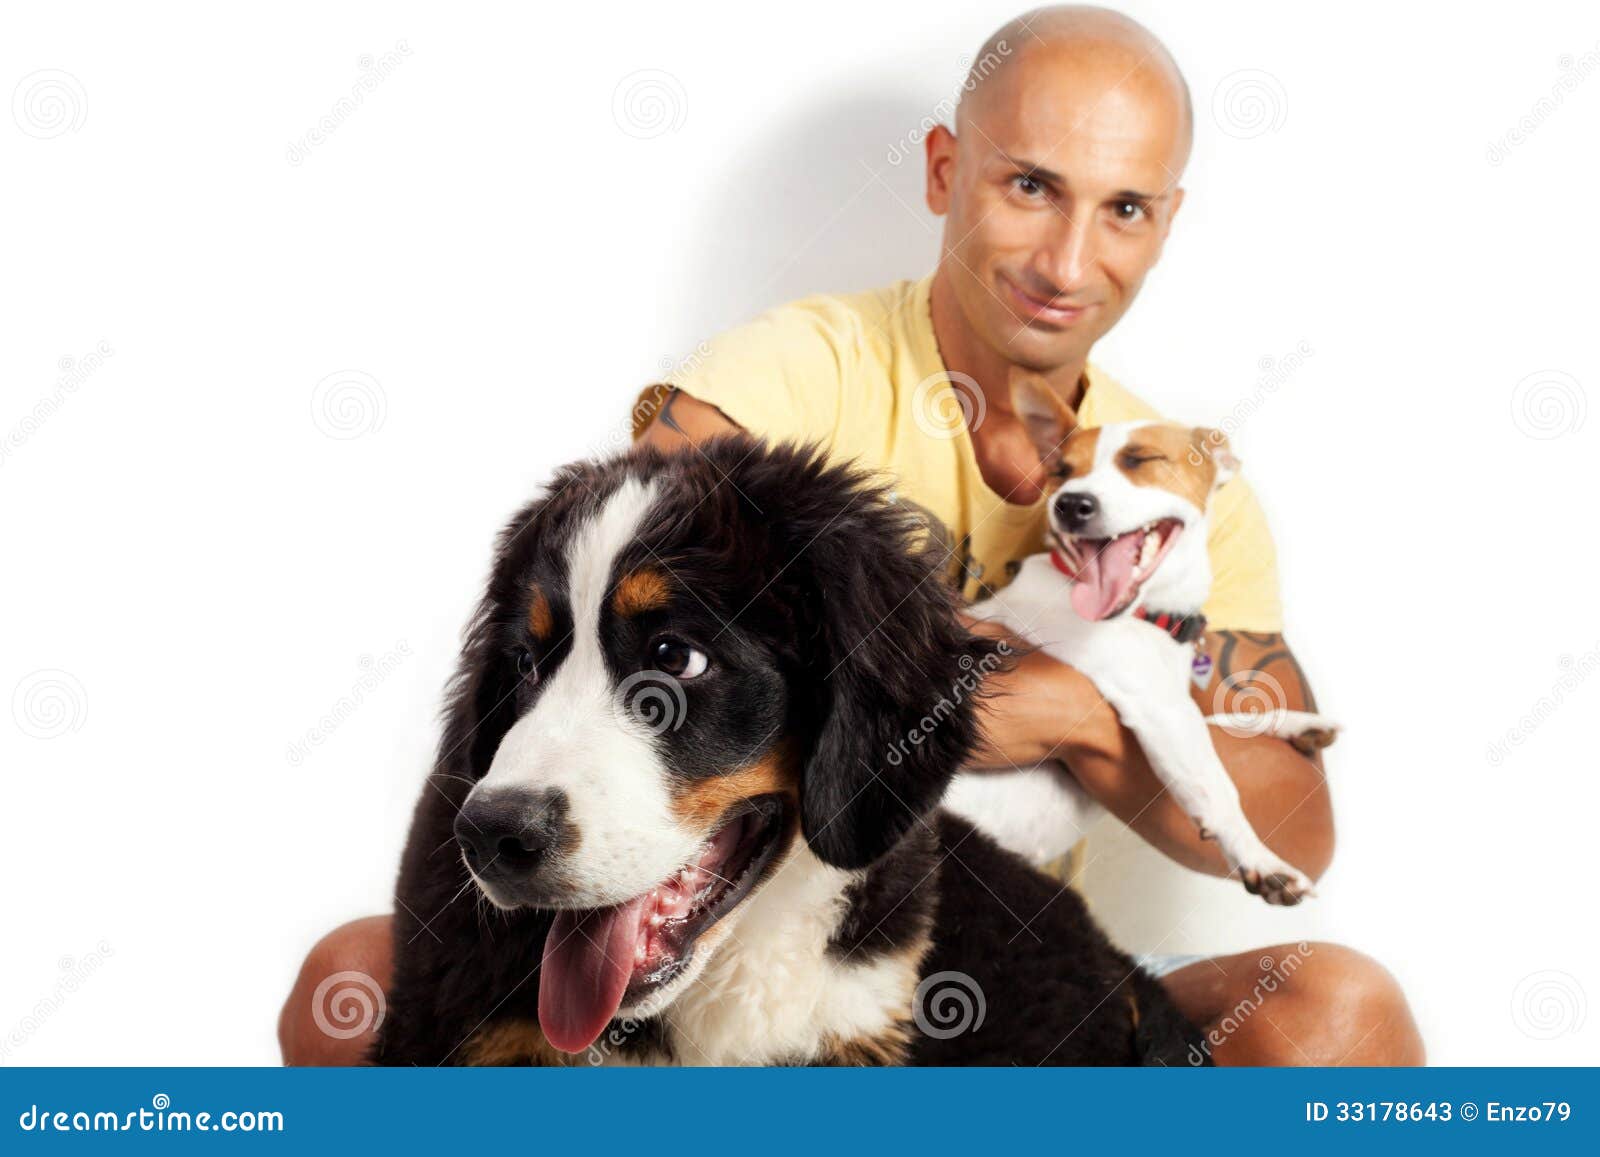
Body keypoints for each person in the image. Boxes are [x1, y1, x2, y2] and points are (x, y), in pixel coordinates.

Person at [282, 5, 1422, 1066]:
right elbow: (650, 614)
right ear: (943, 170)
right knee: (352, 983)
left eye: (1122, 207)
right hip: (756, 921)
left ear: (1166, 221)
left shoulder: (1173, 482)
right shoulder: (795, 374)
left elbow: (1291, 831)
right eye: (1030, 185)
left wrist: (1075, 710)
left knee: (1338, 1011)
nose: (1069, 261)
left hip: (988, 956)